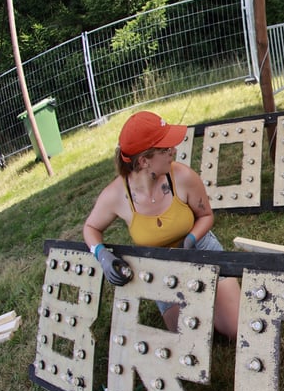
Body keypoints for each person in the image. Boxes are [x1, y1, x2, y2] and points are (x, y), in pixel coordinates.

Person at [83, 111, 240, 341]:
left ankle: (220, 301)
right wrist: (101, 254)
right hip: (163, 267)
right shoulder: (116, 195)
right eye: (166, 149)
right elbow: (91, 228)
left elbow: (206, 215)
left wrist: (191, 240)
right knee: (190, 340)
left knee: (234, 330)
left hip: (201, 250)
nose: (173, 151)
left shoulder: (183, 176)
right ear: (144, 161)